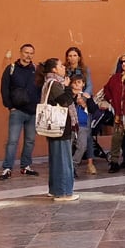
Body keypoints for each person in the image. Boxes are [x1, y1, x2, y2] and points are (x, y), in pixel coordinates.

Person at [0, 43, 40, 180]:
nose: (28, 55)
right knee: (12, 140)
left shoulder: (36, 69)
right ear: (20, 53)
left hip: (33, 112)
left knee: (30, 140)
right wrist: (10, 106)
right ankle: (7, 168)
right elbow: (4, 89)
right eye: (26, 52)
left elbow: (40, 88)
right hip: (17, 111)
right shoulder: (11, 69)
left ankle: (26, 166)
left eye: (31, 53)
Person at [38, 58, 78, 201]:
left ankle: (55, 189)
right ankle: (64, 192)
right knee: (63, 161)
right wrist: (68, 87)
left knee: (56, 160)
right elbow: (65, 101)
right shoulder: (55, 84)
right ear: (54, 69)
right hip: (60, 126)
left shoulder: (48, 83)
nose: (64, 67)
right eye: (61, 65)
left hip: (52, 126)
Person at [69, 73, 94, 178]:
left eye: (79, 82)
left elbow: (93, 109)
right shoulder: (69, 95)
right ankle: (67, 167)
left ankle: (73, 165)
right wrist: (75, 100)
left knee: (82, 146)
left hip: (83, 125)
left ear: (83, 84)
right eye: (74, 83)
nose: (77, 85)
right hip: (70, 125)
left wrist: (85, 103)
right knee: (68, 146)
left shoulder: (87, 96)